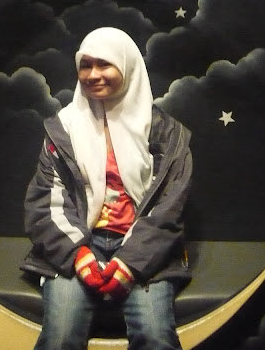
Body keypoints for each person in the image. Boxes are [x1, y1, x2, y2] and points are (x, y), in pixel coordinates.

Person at [21, 27, 193, 350]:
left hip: (144, 249)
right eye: (85, 65)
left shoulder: (167, 134)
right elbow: (46, 202)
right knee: (60, 337)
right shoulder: (63, 129)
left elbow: (169, 208)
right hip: (79, 244)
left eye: (104, 64)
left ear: (126, 67)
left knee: (156, 337)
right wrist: (78, 256)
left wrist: (130, 263)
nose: (93, 75)